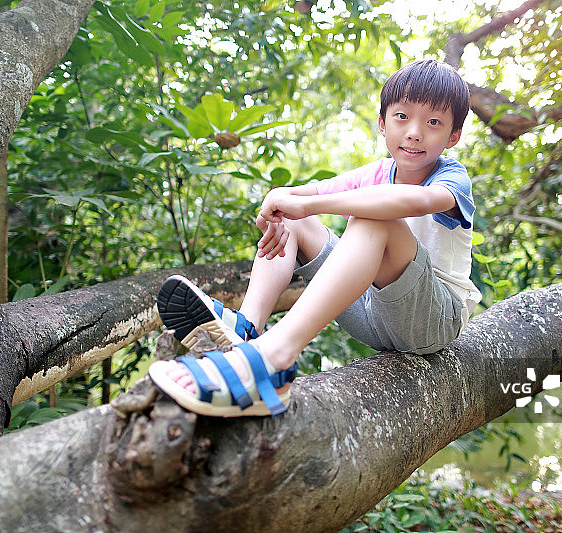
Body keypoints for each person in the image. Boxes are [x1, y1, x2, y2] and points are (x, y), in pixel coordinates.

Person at [148, 59, 481, 417]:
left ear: (453, 136)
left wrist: (308, 204)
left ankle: (273, 356)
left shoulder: (451, 178)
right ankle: (247, 329)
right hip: (372, 312)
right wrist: (276, 204)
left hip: (431, 322)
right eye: (402, 117)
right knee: (295, 220)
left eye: (433, 123)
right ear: (383, 124)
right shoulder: (379, 171)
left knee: (375, 219)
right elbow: (305, 193)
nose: (414, 132)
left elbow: (413, 202)